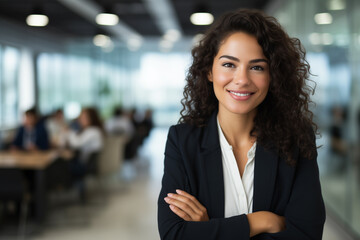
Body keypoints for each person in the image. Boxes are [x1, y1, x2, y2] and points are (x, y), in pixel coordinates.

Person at [158, 9, 325, 240]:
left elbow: (307, 234)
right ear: (209, 70)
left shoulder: (297, 138)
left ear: (272, 76)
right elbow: (174, 234)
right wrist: (260, 221)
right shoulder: (182, 141)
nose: (242, 80)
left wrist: (211, 229)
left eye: (257, 67)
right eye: (229, 64)